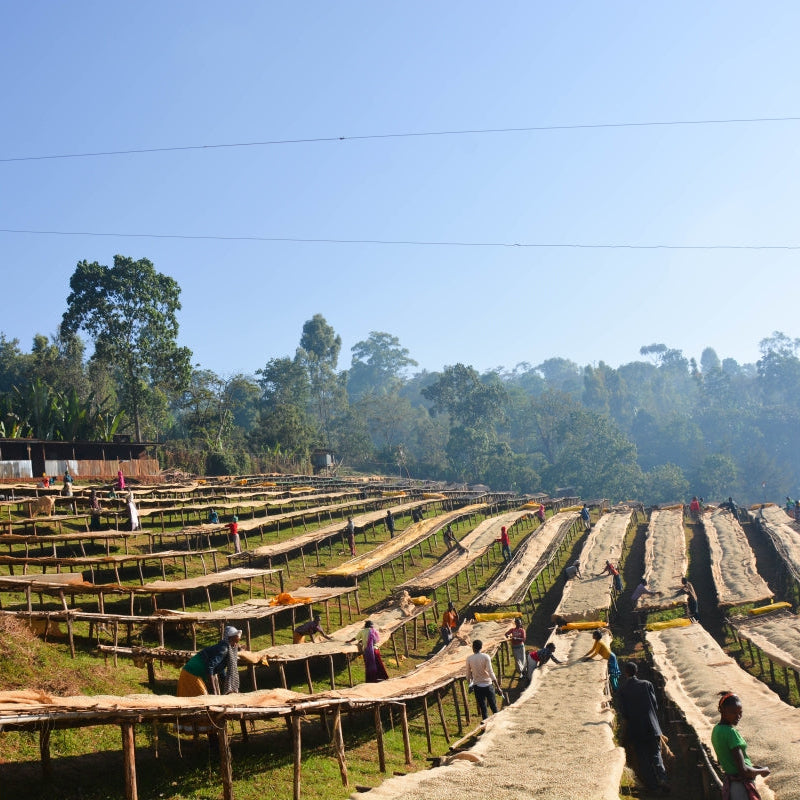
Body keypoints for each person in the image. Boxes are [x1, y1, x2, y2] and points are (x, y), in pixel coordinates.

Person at [617, 662, 669, 793]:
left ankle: (653, 786)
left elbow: (624, 712)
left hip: (636, 729)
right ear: (636, 671)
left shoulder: (622, 690)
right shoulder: (647, 684)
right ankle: (663, 779)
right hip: (652, 727)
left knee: (643, 758)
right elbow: (655, 705)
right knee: (656, 755)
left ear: (626, 672)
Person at [712, 692, 770, 800]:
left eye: (740, 712)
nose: (738, 716)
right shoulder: (731, 733)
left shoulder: (716, 729)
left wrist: (752, 768)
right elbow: (743, 771)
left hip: (731, 784)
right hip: (740, 787)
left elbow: (722, 760)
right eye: (733, 712)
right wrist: (762, 771)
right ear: (722, 711)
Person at [178, 625, 243, 697]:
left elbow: (220, 669)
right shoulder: (224, 649)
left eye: (237, 642)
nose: (235, 644)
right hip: (192, 672)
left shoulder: (225, 648)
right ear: (229, 638)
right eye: (234, 641)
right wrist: (214, 690)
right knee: (201, 699)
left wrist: (229, 688)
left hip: (192, 672)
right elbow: (210, 666)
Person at [465, 639, 502, 720]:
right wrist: (498, 687)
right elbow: (491, 672)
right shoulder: (486, 657)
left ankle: (485, 727)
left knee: (483, 709)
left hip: (477, 687)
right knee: (494, 707)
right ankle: (498, 724)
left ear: (473, 648)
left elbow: (468, 674)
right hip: (488, 685)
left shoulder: (469, 659)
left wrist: (470, 684)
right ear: (481, 647)